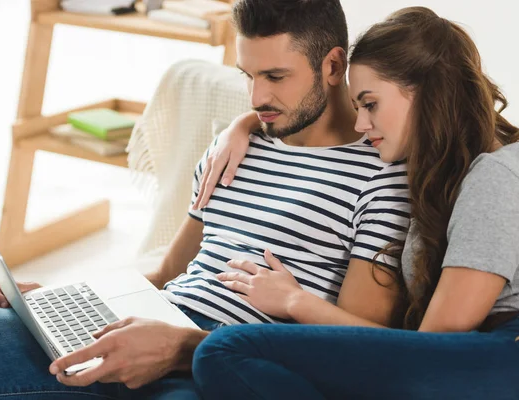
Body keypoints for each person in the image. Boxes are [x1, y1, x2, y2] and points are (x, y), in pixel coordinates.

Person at [0, 1, 411, 399]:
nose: (256, 97)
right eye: (247, 75)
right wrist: (68, 298)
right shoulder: (236, 146)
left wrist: (181, 349)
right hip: (147, 326)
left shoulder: (381, 177)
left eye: (276, 77)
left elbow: (358, 350)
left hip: (215, 369)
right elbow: (165, 275)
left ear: (333, 65)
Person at [192, 5, 519, 400]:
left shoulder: (496, 176)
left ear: (430, 93)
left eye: (371, 104)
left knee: (224, 350)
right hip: (465, 360)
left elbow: (433, 346)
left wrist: (296, 301)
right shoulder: (434, 171)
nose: (361, 124)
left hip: (499, 357)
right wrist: (243, 125)